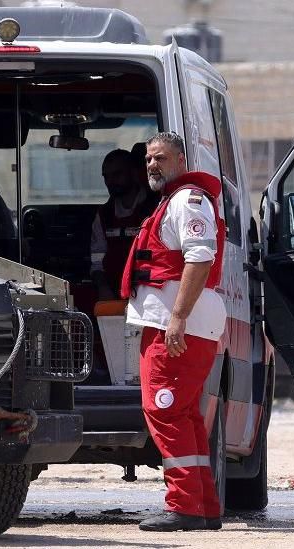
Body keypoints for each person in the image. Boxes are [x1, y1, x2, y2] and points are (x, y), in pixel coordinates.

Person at [120, 132, 227, 532]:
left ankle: (183, 505)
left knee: (163, 409)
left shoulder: (187, 200)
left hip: (180, 325)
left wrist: (177, 318)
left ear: (182, 160)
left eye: (161, 158)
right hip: (175, 323)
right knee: (182, 413)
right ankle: (203, 505)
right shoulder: (173, 201)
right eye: (149, 159)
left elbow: (200, 257)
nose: (152, 165)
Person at [89, 149, 158, 300]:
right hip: (113, 294)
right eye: (106, 176)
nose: (110, 181)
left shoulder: (156, 210)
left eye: (117, 174)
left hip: (150, 293)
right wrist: (103, 288)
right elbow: (97, 261)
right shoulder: (103, 215)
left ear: (133, 173)